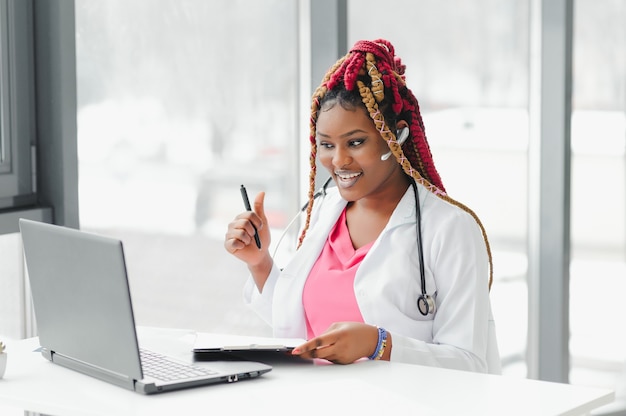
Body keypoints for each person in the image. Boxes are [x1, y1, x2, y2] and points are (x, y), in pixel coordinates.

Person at [224, 38, 501, 373]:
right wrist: (259, 262)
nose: (339, 160)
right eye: (327, 144)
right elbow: (296, 327)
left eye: (355, 142)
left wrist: (378, 344)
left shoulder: (449, 229)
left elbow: (470, 363)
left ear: (396, 134)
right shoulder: (325, 211)